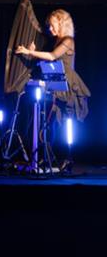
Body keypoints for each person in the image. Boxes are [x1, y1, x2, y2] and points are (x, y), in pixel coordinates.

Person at [15, 9, 91, 172]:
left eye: (51, 25)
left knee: (65, 122)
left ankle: (67, 159)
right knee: (52, 123)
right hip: (56, 83)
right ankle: (49, 158)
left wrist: (29, 52)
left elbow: (51, 56)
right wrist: (33, 55)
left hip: (68, 85)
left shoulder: (68, 40)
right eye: (49, 26)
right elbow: (49, 61)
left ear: (61, 22)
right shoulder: (57, 41)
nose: (50, 29)